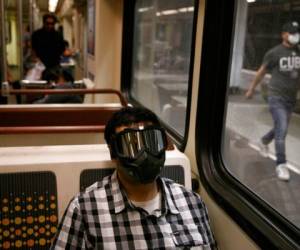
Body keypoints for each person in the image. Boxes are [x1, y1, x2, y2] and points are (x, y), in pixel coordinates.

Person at [51, 107, 217, 249]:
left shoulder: (192, 203)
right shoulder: (84, 209)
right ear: (113, 152)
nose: (144, 156)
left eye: (152, 143)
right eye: (132, 146)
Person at [245, 21, 300, 181]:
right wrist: (250, 89)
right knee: (282, 130)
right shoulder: (274, 53)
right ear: (284, 34)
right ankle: (281, 165)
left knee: (279, 127)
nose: (295, 36)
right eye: (292, 32)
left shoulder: (298, 52)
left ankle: (263, 141)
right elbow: (261, 72)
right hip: (276, 97)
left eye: (297, 33)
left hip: (291, 99)